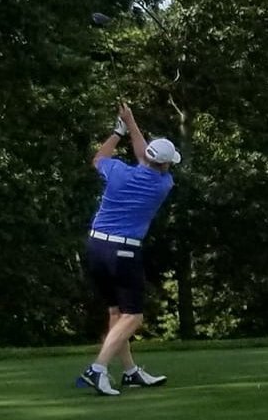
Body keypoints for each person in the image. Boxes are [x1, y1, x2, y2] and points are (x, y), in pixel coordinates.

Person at [75, 103, 180, 396]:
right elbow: (145, 155)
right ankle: (97, 369)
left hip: (96, 246)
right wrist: (131, 125)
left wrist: (120, 130)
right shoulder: (163, 184)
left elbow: (99, 157)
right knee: (133, 317)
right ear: (166, 164)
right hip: (123, 252)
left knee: (116, 312)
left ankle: (131, 372)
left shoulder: (117, 172)